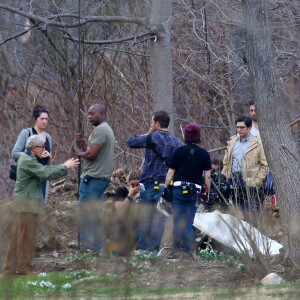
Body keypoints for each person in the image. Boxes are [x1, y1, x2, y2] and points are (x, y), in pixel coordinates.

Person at [3, 135, 79, 275]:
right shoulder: (27, 161)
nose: (44, 149)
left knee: (18, 237)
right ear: (34, 148)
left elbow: (43, 169)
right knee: (26, 237)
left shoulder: (29, 159)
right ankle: (23, 268)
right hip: (27, 205)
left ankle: (9, 269)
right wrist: (65, 166)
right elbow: (45, 173)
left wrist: (44, 159)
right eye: (42, 147)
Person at [127, 111, 180, 252]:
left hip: (149, 183)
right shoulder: (176, 142)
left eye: (152, 123)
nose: (151, 125)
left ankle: (141, 250)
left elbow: (131, 142)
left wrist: (149, 132)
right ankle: (154, 250)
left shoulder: (151, 138)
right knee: (159, 219)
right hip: (165, 185)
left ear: (157, 124)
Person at [164, 123, 211, 260]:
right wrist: (207, 191)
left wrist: (166, 187)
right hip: (194, 190)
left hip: (178, 189)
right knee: (189, 221)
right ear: (198, 137)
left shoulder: (178, 151)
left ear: (185, 136)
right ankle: (188, 252)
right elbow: (207, 176)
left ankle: (175, 250)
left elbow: (170, 173)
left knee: (177, 220)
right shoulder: (204, 154)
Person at [74, 103, 115, 253]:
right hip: (101, 178)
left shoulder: (100, 130)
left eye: (93, 113)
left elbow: (91, 155)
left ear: (102, 114)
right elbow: (91, 153)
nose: (89, 116)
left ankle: (87, 249)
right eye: (88, 114)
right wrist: (84, 146)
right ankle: (98, 249)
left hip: (92, 178)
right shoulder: (105, 130)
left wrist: (79, 152)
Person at [222, 116, 268, 213]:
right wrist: (225, 178)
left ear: (249, 128)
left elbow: (264, 165)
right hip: (234, 182)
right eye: (237, 127)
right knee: (237, 214)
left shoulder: (258, 143)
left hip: (251, 183)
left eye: (242, 127)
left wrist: (256, 181)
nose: (239, 130)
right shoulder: (232, 142)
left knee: (252, 215)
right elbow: (226, 163)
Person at [12, 105, 52, 203]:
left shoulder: (48, 137)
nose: (44, 121)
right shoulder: (26, 133)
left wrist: (49, 156)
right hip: (28, 178)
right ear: (35, 119)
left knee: (42, 206)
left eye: (46, 119)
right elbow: (14, 153)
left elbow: (49, 162)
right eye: (42, 118)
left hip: (43, 176)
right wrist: (31, 155)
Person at [105, 170, 141, 256]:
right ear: (128, 183)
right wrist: (130, 196)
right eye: (132, 185)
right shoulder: (122, 191)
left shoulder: (143, 194)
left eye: (137, 185)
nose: (135, 187)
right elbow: (120, 212)